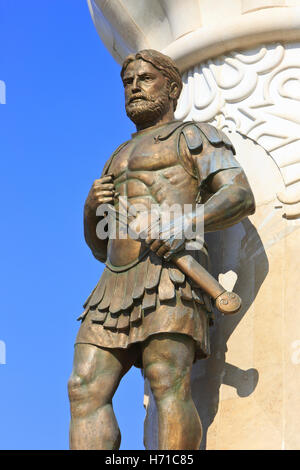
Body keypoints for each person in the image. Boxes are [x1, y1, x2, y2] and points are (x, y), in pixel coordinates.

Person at [68, 49, 255, 450]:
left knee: (166, 379)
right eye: (127, 82)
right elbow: (99, 247)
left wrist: (183, 224)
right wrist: (90, 209)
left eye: (145, 79)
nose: (134, 87)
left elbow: (240, 195)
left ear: (172, 88)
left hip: (171, 277)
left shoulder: (194, 135)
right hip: (113, 285)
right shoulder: (117, 155)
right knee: (83, 385)